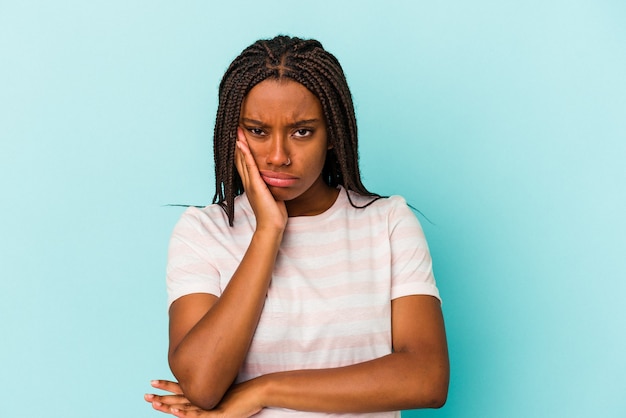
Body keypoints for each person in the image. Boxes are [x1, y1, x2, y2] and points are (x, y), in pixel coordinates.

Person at [144, 35, 449, 417]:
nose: (278, 156)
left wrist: (262, 390)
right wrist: (267, 232)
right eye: (257, 131)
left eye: (302, 131)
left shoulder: (387, 223)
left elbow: (426, 378)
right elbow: (202, 385)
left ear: (333, 136)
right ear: (233, 134)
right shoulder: (204, 232)